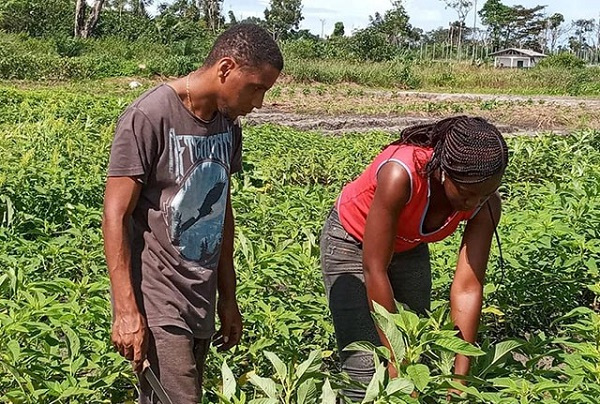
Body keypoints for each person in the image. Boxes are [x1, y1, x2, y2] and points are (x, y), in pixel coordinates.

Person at [102, 24, 283, 403]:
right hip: (158, 295)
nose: (260, 103)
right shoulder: (149, 117)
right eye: (256, 87)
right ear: (226, 68)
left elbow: (222, 210)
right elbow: (116, 214)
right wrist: (126, 310)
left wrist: (228, 297)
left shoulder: (227, 126)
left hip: (200, 292)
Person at [320, 116, 509, 401]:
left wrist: (459, 381)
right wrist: (398, 359)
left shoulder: (485, 203)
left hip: (408, 248)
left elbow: (468, 288)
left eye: (484, 195)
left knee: (418, 352)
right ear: (444, 172)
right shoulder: (401, 174)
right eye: (468, 193)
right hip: (352, 245)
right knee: (365, 369)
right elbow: (374, 269)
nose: (474, 204)